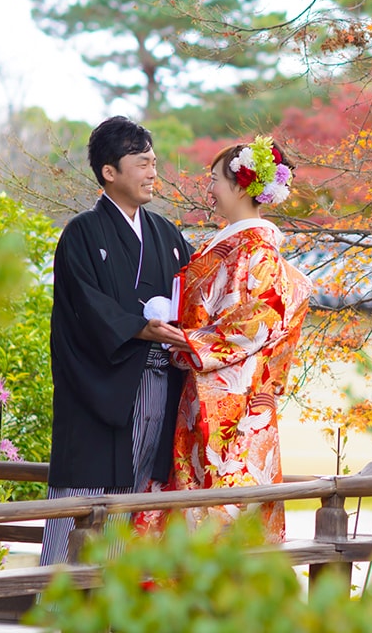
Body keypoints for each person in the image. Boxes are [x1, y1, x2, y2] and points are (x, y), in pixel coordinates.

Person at [137, 136, 312, 542]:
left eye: (215, 179)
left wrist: (191, 340)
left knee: (223, 504)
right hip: (204, 390)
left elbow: (260, 319)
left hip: (235, 401)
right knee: (195, 503)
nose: (210, 188)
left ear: (240, 185)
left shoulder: (257, 250)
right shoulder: (232, 245)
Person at [40, 116, 194, 565]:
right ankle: (58, 597)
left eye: (154, 162)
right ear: (109, 171)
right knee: (81, 494)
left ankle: (112, 603)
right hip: (100, 386)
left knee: (135, 490)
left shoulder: (167, 235)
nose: (153, 173)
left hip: (158, 381)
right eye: (142, 163)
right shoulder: (83, 234)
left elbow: (191, 295)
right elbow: (84, 307)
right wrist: (137, 327)